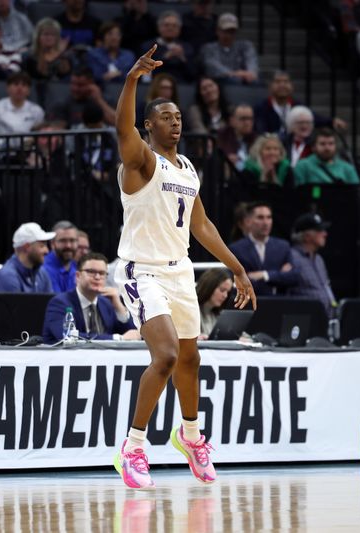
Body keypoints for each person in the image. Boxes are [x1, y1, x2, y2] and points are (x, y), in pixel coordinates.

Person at [111, 44, 256, 489]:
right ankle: (133, 448)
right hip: (142, 270)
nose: (176, 121)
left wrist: (237, 268)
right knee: (167, 355)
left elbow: (203, 224)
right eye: (166, 116)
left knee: (190, 358)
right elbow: (121, 130)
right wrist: (133, 80)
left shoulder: (188, 167)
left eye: (178, 116)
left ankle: (190, 436)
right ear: (149, 125)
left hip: (179, 270)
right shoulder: (140, 161)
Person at [42, 252, 140, 343]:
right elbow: (67, 336)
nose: (97, 277)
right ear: (77, 276)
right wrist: (117, 338)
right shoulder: (60, 303)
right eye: (91, 272)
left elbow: (133, 334)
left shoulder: (106, 303)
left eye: (102, 273)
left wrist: (119, 307)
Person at [229, 201, 298, 296]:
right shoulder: (236, 249)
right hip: (250, 303)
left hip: (279, 303)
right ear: (248, 221)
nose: (266, 222)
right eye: (260, 217)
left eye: (269, 217)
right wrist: (279, 275)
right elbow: (238, 283)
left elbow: (294, 277)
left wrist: (264, 275)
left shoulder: (283, 246)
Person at [288, 213, 336, 317]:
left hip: (326, 319)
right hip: (305, 319)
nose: (325, 234)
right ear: (307, 236)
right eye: (320, 231)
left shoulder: (319, 259)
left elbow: (326, 287)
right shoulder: (291, 257)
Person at [0, 222, 55, 293]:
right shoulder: (8, 277)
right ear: (27, 247)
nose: (47, 251)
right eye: (42, 246)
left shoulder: (42, 274)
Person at [200, 13, 258, 84]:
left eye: (232, 32)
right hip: (219, 84)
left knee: (255, 81)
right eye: (225, 31)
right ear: (217, 31)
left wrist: (250, 73)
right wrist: (234, 73)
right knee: (234, 80)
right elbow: (213, 67)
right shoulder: (209, 48)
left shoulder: (245, 46)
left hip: (243, 80)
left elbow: (251, 62)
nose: (229, 35)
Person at [294, 128, 360, 186]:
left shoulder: (347, 168)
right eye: (322, 144)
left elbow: (356, 194)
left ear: (335, 146)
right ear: (313, 147)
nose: (327, 148)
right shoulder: (302, 166)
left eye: (331, 143)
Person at [23, 18, 73, 83]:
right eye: (46, 34)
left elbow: (65, 73)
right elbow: (41, 74)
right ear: (38, 36)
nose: (49, 38)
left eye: (53, 35)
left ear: (58, 37)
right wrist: (42, 50)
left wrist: (61, 54)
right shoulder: (29, 55)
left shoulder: (66, 55)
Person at [216, 103, 257, 171]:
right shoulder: (221, 136)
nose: (247, 123)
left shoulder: (257, 139)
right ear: (232, 121)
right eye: (243, 119)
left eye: (250, 119)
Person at [195, 267, 233, 338]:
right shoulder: (190, 311)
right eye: (222, 290)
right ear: (209, 286)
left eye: (228, 292)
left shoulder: (218, 315)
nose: (225, 295)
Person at [43, 220, 78, 293]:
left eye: (72, 240)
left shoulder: (77, 268)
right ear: (52, 244)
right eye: (63, 241)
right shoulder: (43, 270)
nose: (68, 245)